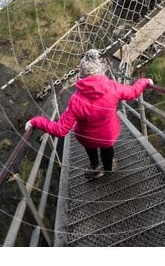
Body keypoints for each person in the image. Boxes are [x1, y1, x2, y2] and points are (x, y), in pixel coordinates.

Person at [25, 49, 152, 180]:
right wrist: (144, 81)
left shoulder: (76, 100)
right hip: (108, 134)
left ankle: (95, 167)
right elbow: (133, 92)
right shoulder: (113, 87)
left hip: (87, 137)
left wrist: (36, 121)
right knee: (107, 151)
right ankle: (108, 169)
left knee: (91, 152)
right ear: (100, 71)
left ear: (80, 75)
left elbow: (61, 130)